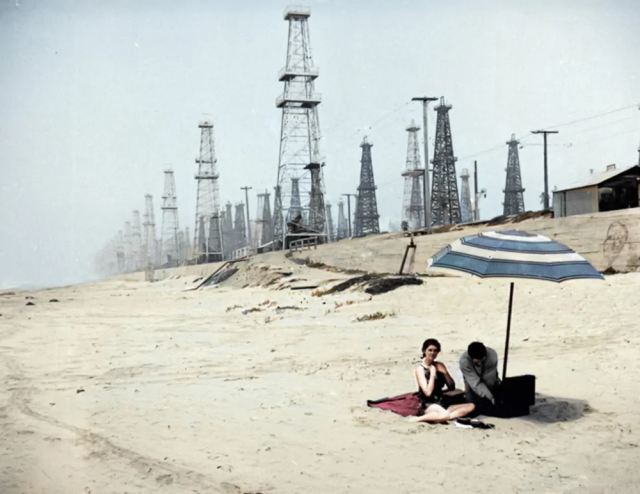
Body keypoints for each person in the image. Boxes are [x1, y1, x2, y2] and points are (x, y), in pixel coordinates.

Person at [410, 338, 475, 423]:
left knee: (471, 406)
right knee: (444, 414)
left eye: (435, 351)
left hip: (442, 401)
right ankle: (418, 419)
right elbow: (428, 393)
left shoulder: (439, 365)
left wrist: (445, 372)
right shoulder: (420, 369)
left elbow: (451, 386)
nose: (432, 353)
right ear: (424, 351)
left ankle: (445, 416)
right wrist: (432, 375)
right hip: (429, 404)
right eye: (430, 350)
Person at [459, 342, 501, 416]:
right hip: (471, 380)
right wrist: (490, 397)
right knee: (471, 407)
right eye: (477, 362)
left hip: (490, 379)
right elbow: (475, 383)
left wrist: (491, 397)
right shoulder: (464, 361)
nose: (480, 363)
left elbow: (489, 380)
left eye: (482, 361)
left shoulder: (492, 356)